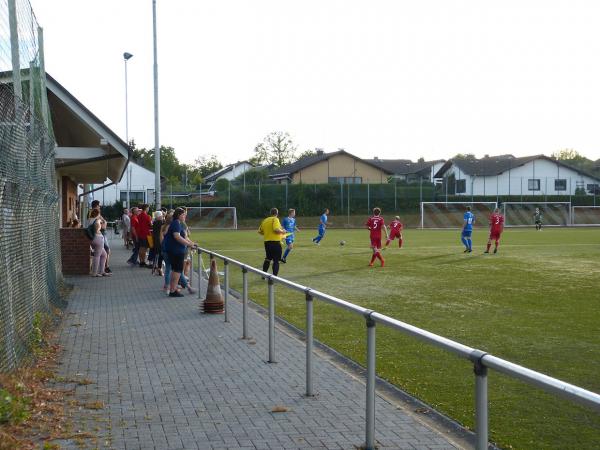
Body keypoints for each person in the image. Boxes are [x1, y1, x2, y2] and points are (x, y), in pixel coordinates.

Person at [163, 207, 197, 297]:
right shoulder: (176, 224)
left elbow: (183, 237)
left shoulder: (177, 223)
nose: (185, 216)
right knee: (177, 271)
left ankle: (173, 289)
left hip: (175, 250)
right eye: (183, 215)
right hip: (176, 251)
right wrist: (189, 245)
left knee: (176, 271)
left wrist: (191, 243)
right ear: (178, 215)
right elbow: (177, 237)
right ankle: (173, 290)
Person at [258, 208, 286, 276]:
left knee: (268, 258)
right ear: (277, 213)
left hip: (267, 243)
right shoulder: (275, 219)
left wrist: (268, 233)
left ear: (270, 213)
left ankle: (263, 275)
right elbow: (276, 229)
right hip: (275, 243)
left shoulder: (265, 220)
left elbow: (260, 231)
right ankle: (274, 277)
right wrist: (283, 231)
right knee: (276, 260)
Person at [89, 209, 111, 277]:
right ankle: (94, 273)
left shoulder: (90, 219)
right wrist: (102, 221)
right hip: (98, 238)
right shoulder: (97, 220)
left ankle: (102, 271)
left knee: (104, 255)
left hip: (93, 238)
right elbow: (102, 228)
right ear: (98, 214)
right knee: (97, 256)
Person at [152, 210, 165, 276]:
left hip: (155, 240)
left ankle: (157, 267)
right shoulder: (160, 222)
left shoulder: (155, 222)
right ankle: (159, 268)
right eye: (162, 216)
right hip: (159, 240)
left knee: (158, 254)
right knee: (161, 255)